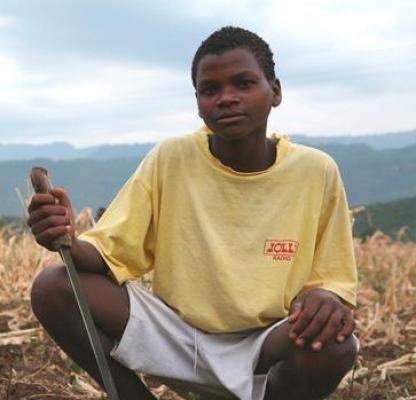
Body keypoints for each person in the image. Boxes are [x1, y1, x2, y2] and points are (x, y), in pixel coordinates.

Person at [27, 26, 359, 400]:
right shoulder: (171, 158)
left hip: (265, 346)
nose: (227, 98)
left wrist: (326, 299)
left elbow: (334, 282)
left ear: (275, 92)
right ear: (198, 101)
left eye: (244, 83)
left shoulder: (316, 170)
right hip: (177, 337)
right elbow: (106, 253)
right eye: (210, 89)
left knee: (335, 344)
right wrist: (67, 239)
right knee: (54, 287)